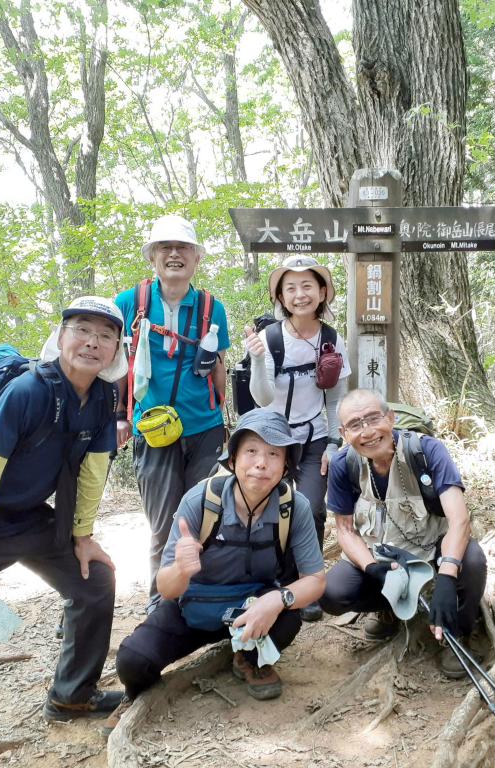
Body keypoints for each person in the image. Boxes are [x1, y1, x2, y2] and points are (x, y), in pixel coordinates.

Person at [0, 297, 125, 767]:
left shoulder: (102, 397)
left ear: (116, 348)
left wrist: (82, 536)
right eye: (81, 329)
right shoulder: (28, 391)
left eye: (105, 335)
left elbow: (94, 471)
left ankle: (71, 695)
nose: (92, 342)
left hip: (27, 516)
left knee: (94, 581)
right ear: (60, 337)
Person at [103, 410, 325, 735]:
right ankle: (135, 696)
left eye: (273, 454)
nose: (261, 463)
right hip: (192, 609)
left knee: (289, 616)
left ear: (286, 465)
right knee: (133, 661)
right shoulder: (201, 501)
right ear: (233, 459)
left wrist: (278, 599)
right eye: (251, 451)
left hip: (252, 609)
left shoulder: (294, 507)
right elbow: (166, 589)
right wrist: (180, 568)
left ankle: (247, 659)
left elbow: (316, 580)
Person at [318, 389, 487, 679]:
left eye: (374, 419)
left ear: (391, 418)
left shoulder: (426, 451)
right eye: (356, 425)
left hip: (433, 549)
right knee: (332, 592)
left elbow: (459, 520)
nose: (368, 432)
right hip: (381, 556)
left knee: (471, 561)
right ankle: (392, 609)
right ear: (344, 433)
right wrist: (371, 568)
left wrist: (447, 576)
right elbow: (344, 529)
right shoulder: (343, 464)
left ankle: (458, 630)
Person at [114, 214, 231, 614]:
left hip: (205, 427)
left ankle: (203, 593)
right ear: (153, 257)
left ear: (197, 258)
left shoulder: (211, 307)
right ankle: (160, 602)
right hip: (153, 430)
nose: (174, 254)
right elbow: (116, 365)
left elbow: (217, 366)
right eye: (165, 247)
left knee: (205, 515)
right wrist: (119, 416)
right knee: (163, 522)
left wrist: (225, 419)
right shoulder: (129, 303)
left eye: (183, 248)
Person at [243, 255, 351, 622]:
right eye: (290, 288)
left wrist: (336, 444)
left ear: (322, 293)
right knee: (265, 509)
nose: (299, 294)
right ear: (280, 297)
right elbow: (262, 398)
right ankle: (274, 580)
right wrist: (258, 360)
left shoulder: (332, 339)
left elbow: (336, 399)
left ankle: (308, 584)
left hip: (315, 437)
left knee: (313, 508)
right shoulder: (270, 337)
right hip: (273, 439)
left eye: (307, 286)